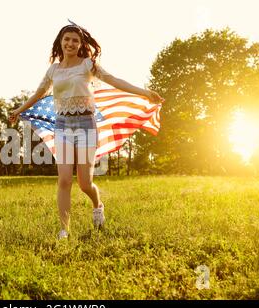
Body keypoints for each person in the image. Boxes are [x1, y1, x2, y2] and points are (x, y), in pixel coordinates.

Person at [9, 21, 164, 240]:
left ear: (80, 44)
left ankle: (98, 204)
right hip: (62, 125)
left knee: (84, 183)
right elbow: (38, 94)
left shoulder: (87, 65)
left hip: (86, 125)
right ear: (60, 43)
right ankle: (64, 230)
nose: (70, 43)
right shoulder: (54, 69)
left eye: (75, 40)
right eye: (67, 39)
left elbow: (114, 81)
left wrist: (144, 92)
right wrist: (19, 109)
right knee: (63, 180)